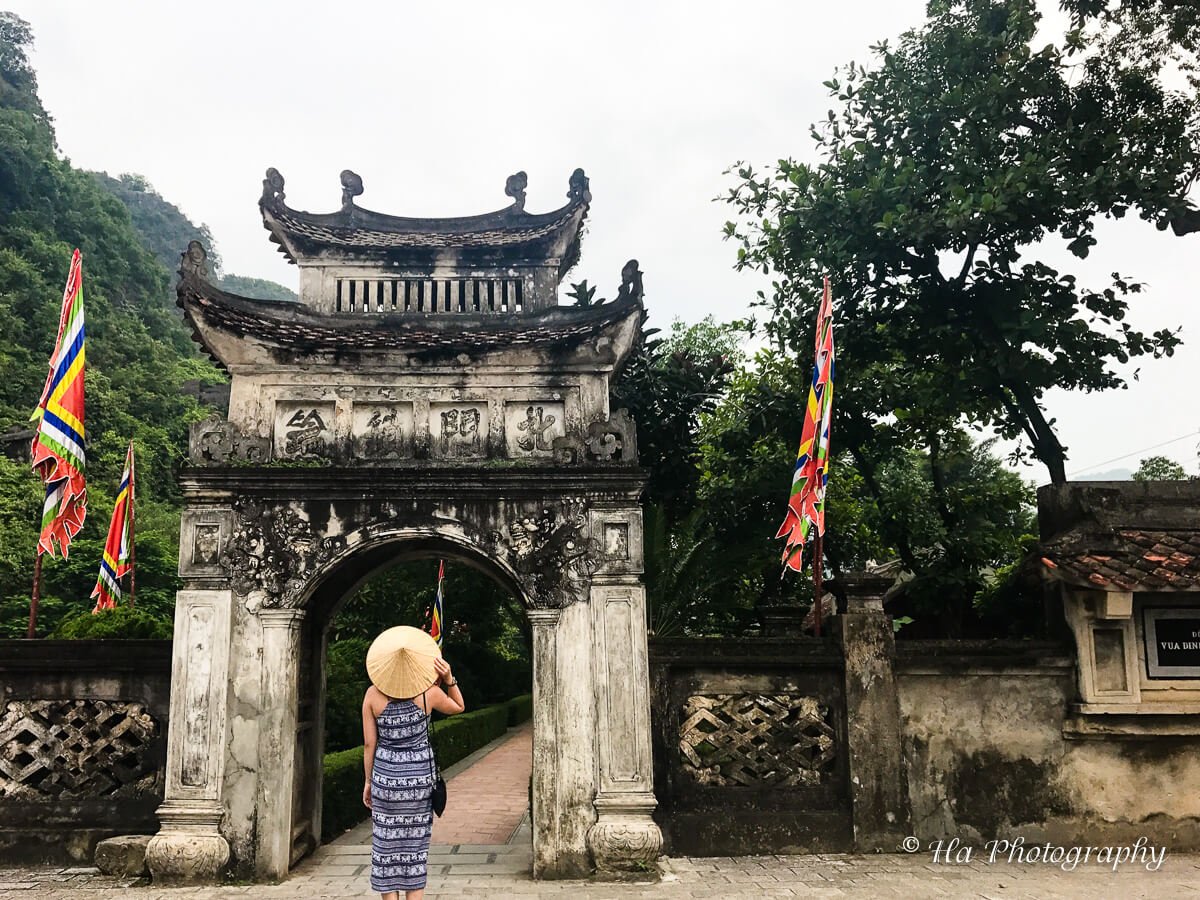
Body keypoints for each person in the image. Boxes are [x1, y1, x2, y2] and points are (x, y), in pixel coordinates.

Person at [362, 626, 466, 900]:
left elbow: (370, 744)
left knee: (386, 846)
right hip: (419, 780)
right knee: (415, 847)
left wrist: (368, 782)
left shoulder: (372, 695)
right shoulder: (427, 694)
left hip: (386, 778)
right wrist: (449, 678)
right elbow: (459, 707)